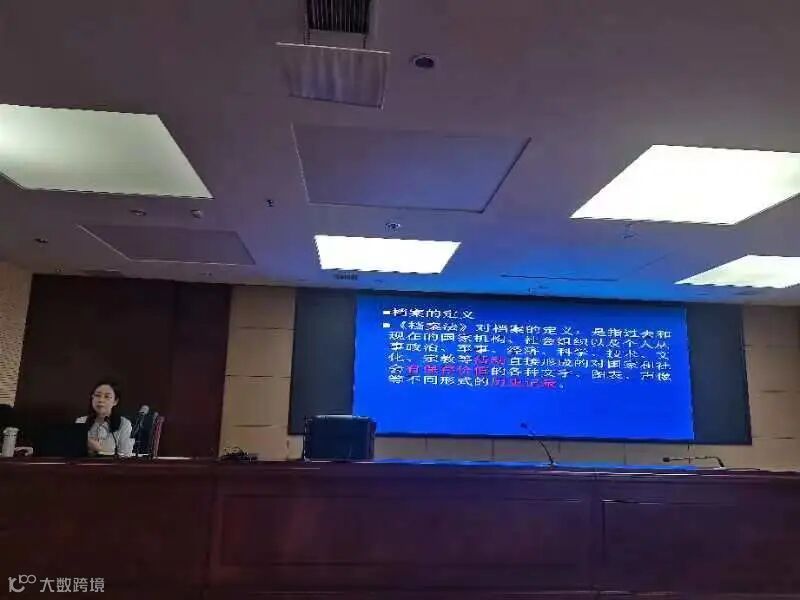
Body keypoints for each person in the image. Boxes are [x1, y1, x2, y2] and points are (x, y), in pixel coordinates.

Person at [76, 381, 134, 456]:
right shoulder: (81, 421)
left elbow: (126, 455)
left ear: (115, 401)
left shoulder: (124, 424)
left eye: (107, 397)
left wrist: (99, 449)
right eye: (97, 395)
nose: (101, 400)